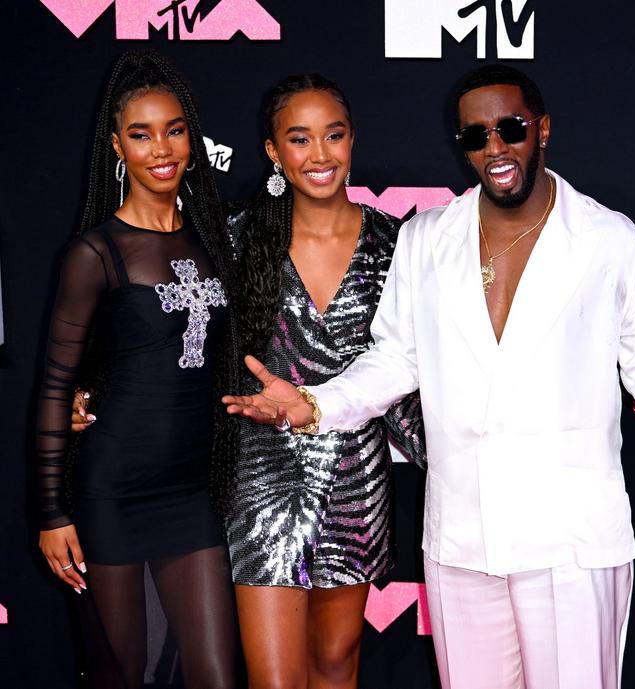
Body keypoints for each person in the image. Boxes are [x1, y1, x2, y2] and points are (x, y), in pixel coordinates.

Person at [223, 64, 635, 689]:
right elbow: (395, 359)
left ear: (542, 130)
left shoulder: (610, 240)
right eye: (475, 135)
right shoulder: (427, 238)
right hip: (462, 539)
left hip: (569, 544)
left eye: (511, 128)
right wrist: (314, 404)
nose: (496, 147)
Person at [35, 51, 236, 688]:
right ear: (117, 145)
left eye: (175, 129)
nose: (162, 148)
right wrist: (50, 512)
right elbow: (54, 386)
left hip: (189, 494)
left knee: (215, 675)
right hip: (111, 494)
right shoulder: (95, 253)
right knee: (123, 676)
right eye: (142, 134)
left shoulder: (214, 243)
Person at [224, 74, 425, 689]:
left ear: (352, 140)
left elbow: (421, 364)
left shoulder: (397, 243)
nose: (319, 156)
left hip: (354, 476)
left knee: (338, 663)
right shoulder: (239, 239)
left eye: (333, 136)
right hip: (262, 476)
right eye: (300, 139)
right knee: (277, 678)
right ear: (273, 152)